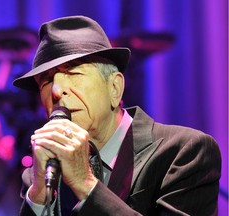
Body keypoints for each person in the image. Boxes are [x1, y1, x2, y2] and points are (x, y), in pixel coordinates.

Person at [13, 16, 221, 215]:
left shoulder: (185, 152)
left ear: (115, 88)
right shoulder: (39, 174)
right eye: (47, 81)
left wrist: (85, 184)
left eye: (73, 73)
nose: (57, 90)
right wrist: (39, 198)